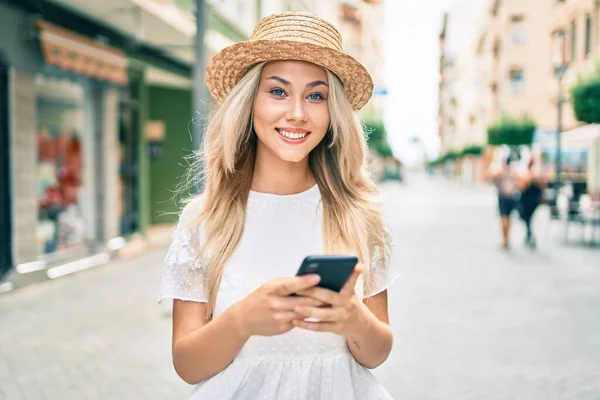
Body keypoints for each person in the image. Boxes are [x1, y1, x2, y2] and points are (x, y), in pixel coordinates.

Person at [158, 12, 400, 400]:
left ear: (332, 112)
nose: (298, 113)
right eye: (278, 91)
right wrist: (243, 320)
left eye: (316, 95)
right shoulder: (205, 218)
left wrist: (353, 318)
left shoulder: (360, 217)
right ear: (249, 100)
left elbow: (376, 355)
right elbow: (187, 366)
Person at [488, 155, 520, 249]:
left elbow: (491, 178)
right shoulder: (514, 171)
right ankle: (506, 238)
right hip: (511, 197)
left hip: (504, 197)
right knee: (507, 218)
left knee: (504, 219)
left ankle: (505, 238)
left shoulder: (502, 171)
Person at [518, 157, 545, 249]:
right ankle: (529, 236)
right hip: (529, 200)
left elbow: (523, 186)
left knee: (528, 219)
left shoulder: (531, 174)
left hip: (530, 200)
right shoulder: (532, 174)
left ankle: (530, 236)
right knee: (527, 219)